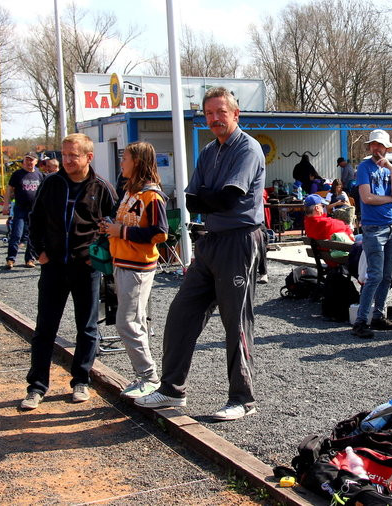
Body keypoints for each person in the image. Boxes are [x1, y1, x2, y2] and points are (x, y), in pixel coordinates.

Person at [135, 87, 266, 422]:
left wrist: (210, 196)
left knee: (235, 321)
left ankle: (242, 398)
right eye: (209, 113)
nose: (215, 118)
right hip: (210, 240)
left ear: (235, 114)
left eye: (221, 112)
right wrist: (212, 197)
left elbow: (228, 198)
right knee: (182, 313)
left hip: (239, 240)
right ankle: (171, 389)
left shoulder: (247, 148)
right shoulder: (209, 151)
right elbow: (192, 200)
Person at [19, 134, 118, 410]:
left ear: (88, 157)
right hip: (53, 267)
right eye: (64, 155)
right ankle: (36, 387)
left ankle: (81, 381)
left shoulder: (102, 187)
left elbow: (114, 224)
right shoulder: (51, 183)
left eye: (73, 155)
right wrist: (39, 251)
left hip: (85, 269)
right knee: (44, 329)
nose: (67, 160)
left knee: (87, 328)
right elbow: (35, 218)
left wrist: (97, 257)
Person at [100, 141, 168, 399]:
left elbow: (160, 233)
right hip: (123, 262)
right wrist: (110, 227)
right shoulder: (130, 191)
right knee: (134, 321)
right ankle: (145, 376)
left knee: (127, 322)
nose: (121, 163)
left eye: (125, 159)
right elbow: (127, 224)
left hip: (137, 267)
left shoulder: (152, 195)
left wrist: (121, 231)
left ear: (137, 162)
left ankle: (149, 377)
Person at [351, 129, 392, 339]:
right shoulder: (364, 167)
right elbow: (367, 198)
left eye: (380, 145)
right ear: (370, 147)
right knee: (375, 276)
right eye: (374, 144)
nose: (377, 148)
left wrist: (390, 169)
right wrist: (390, 199)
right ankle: (361, 321)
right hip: (374, 227)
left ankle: (378, 315)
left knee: (387, 275)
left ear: (387, 148)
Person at [3, 151, 45, 269]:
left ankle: (29, 259)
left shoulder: (40, 175)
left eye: (31, 160)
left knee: (32, 236)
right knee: (16, 234)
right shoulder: (17, 174)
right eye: (27, 159)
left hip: (35, 211)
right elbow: (9, 190)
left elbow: (45, 192)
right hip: (20, 209)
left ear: (36, 162)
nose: (28, 162)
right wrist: (5, 205)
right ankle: (11, 259)